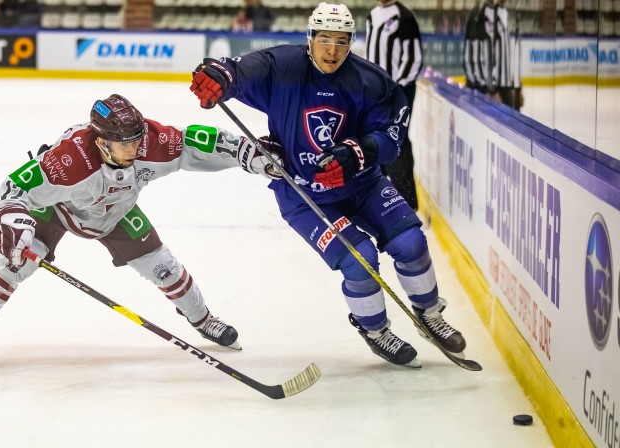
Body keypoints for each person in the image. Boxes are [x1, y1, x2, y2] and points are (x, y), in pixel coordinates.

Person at [189, 2, 468, 368]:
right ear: (310, 38)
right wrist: (218, 75)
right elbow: (239, 72)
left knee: (411, 242)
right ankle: (376, 330)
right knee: (360, 260)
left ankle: (429, 313)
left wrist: (358, 152)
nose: (332, 49)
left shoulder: (370, 81)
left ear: (351, 42)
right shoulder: (283, 66)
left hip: (362, 184)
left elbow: (392, 135)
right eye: (324, 39)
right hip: (304, 195)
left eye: (341, 41)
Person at [0, 94, 284, 367]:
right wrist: (12, 218)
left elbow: (196, 140)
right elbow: (15, 186)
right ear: (102, 141)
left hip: (116, 214)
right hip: (58, 209)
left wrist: (243, 151)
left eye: (137, 139)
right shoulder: (70, 161)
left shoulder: (151, 142)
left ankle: (204, 319)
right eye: (125, 142)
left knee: (166, 267)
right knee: (15, 264)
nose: (135, 148)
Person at [365, 0, 423, 210]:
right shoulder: (372, 15)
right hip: (375, 92)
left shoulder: (404, 17)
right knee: (374, 138)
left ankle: (408, 203)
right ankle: (379, 197)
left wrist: (393, 90)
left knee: (397, 140)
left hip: (398, 91)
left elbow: (413, 60)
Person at [463, 0, 523, 110]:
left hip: (506, 87)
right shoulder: (478, 16)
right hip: (492, 90)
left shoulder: (505, 13)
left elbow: (510, 55)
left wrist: (518, 87)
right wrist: (490, 90)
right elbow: (474, 58)